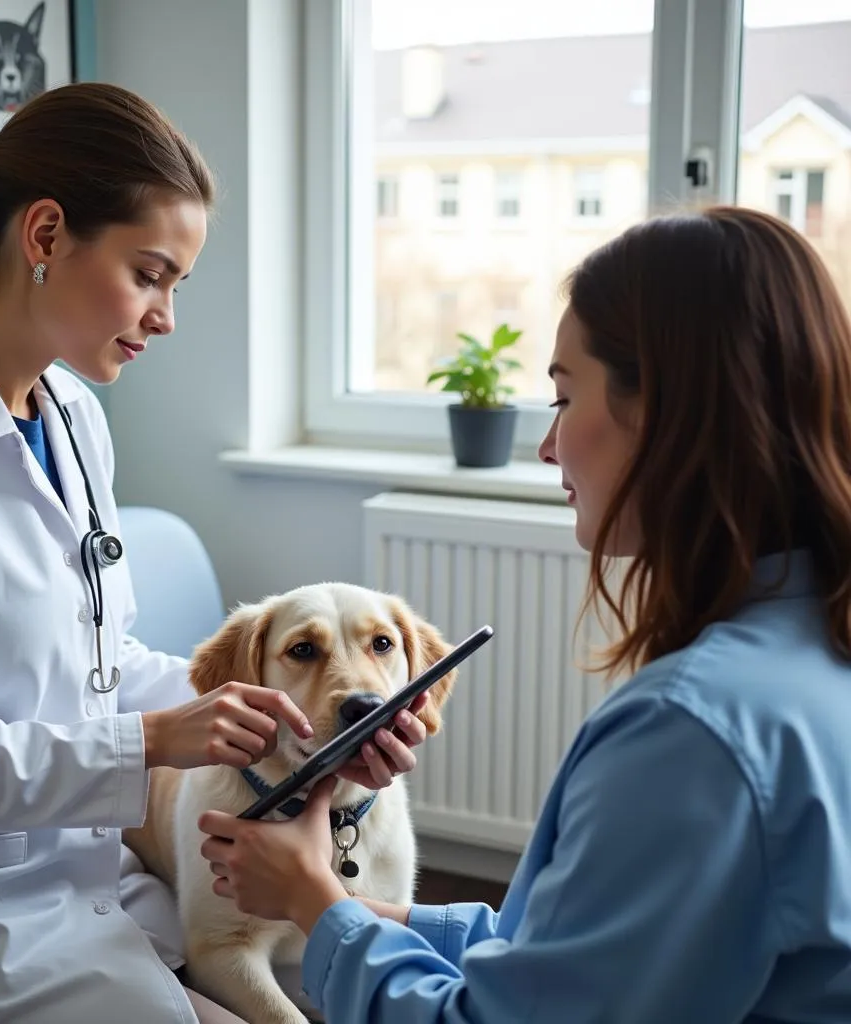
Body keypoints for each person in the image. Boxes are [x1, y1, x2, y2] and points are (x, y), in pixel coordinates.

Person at [0, 82, 425, 1024]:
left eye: (175, 285)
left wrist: (290, 721)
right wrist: (153, 740)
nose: (165, 316)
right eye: (150, 274)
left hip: (85, 871)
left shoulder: (72, 421)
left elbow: (100, 671)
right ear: (46, 235)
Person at [198, 205, 851, 1022]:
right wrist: (364, 911)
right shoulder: (816, 648)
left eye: (563, 396)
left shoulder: (692, 732)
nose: (548, 447)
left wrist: (318, 907)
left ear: (657, 413)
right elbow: (586, 949)